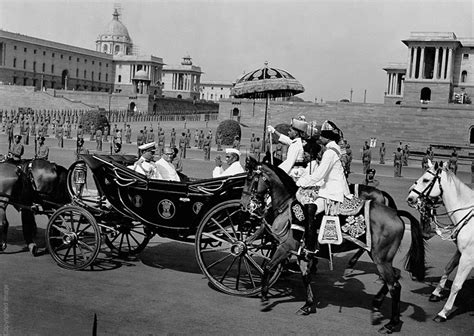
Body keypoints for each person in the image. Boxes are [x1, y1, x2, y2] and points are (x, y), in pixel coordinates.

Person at [296, 120, 350, 257]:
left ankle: (310, 246)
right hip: (330, 187)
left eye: (322, 136)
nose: (319, 138)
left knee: (310, 208)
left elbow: (319, 175)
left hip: (332, 192)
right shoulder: (334, 149)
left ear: (328, 137)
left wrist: (300, 182)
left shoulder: (330, 153)